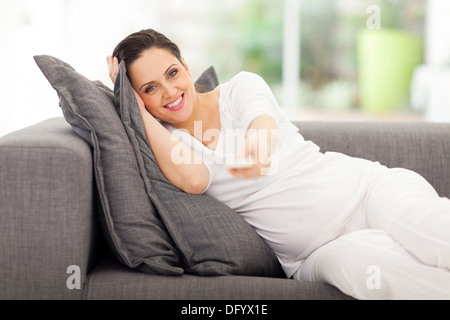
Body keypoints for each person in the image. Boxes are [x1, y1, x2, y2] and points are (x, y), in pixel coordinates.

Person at [107, 29, 450, 299]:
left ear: (186, 64)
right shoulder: (170, 142)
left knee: (429, 230)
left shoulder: (241, 87)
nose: (169, 91)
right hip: (316, 253)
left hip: (367, 191)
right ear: (139, 99)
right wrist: (129, 103)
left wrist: (251, 151)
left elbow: (262, 140)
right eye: (150, 88)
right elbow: (195, 180)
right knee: (376, 270)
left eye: (172, 73)